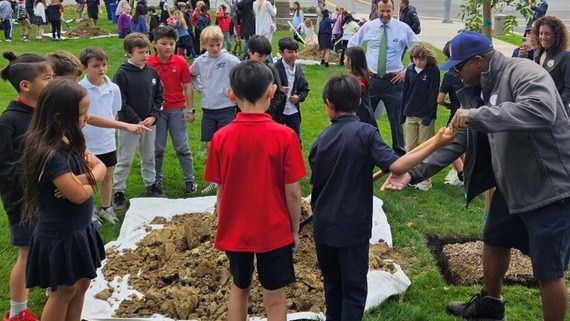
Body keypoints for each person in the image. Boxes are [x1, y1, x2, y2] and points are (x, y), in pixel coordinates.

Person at [382, 31, 570, 321]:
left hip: (549, 187)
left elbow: (541, 111)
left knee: (548, 269)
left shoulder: (524, 72)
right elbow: (458, 141)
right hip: (512, 184)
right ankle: (490, 306)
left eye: (458, 67)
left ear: (479, 61)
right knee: (494, 238)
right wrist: (414, 173)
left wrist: (478, 115)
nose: (455, 73)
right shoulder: (479, 88)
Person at [309, 74, 454, 321]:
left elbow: (315, 186)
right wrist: (436, 143)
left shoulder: (321, 139)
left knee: (332, 288)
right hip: (352, 227)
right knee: (354, 291)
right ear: (358, 102)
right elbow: (397, 166)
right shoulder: (365, 133)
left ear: (328, 104)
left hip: (323, 225)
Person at [204, 60, 306, 321]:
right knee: (275, 298)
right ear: (272, 92)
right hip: (274, 230)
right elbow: (293, 193)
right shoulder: (285, 136)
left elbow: (221, 188)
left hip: (236, 229)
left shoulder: (221, 137)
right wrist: (294, 229)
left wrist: (221, 218)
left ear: (230, 94)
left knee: (239, 288)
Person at [20, 79, 106, 321]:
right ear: (59, 117)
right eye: (82, 113)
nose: (87, 118)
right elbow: (78, 196)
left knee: (83, 284)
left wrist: (81, 179)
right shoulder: (50, 153)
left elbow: (101, 166)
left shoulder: (70, 138)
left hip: (80, 228)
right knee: (64, 290)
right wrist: (87, 182)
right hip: (61, 234)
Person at [0, 51, 52, 321]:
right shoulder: (10, 120)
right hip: (23, 199)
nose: (52, 83)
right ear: (25, 85)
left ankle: (50, 284)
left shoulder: (42, 112)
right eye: (47, 78)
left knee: (47, 243)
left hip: (47, 194)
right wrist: (30, 187)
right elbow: (5, 167)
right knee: (27, 251)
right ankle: (18, 312)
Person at [348, 0, 418, 156]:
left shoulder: (402, 29)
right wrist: (360, 69)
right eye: (382, 11)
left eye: (388, 11)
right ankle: (365, 149)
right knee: (363, 116)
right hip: (371, 81)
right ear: (376, 9)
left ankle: (399, 154)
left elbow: (419, 51)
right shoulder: (368, 27)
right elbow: (352, 45)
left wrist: (406, 72)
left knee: (397, 120)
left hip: (394, 82)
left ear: (394, 9)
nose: (385, 14)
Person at [112, 33, 164, 210]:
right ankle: (118, 191)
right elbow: (121, 102)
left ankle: (151, 184)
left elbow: (159, 97)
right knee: (125, 158)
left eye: (147, 51)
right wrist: (135, 121)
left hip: (150, 124)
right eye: (140, 52)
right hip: (129, 125)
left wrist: (153, 116)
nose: (145, 55)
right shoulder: (122, 74)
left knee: (149, 155)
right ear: (128, 52)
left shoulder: (152, 72)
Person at [147, 26, 198, 195]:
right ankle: (156, 180)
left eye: (171, 43)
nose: (168, 47)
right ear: (154, 44)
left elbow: (187, 86)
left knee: (182, 146)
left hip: (177, 110)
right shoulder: (149, 64)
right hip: (157, 112)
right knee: (157, 148)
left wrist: (191, 110)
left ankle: (190, 180)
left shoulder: (181, 62)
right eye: (163, 43)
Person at [190, 26, 240, 194]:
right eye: (211, 45)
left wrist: (234, 91)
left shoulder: (230, 60)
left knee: (227, 146)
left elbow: (241, 75)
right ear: (204, 44)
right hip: (208, 110)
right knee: (211, 146)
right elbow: (190, 75)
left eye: (218, 44)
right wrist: (198, 86)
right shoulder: (200, 61)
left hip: (226, 108)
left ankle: (229, 178)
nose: (216, 48)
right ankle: (214, 179)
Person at [78, 47, 124, 224]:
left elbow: (114, 112)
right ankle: (88, 211)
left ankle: (106, 207)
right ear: (84, 67)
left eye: (104, 64)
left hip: (106, 140)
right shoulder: (80, 89)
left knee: (106, 175)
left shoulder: (113, 88)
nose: (101, 69)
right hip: (86, 141)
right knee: (88, 177)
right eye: (96, 65)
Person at [401, 41, 439, 191]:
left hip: (425, 116)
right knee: (411, 147)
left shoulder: (433, 71)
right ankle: (411, 174)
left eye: (421, 59)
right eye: (415, 59)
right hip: (410, 114)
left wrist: (429, 116)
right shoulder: (410, 70)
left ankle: (425, 179)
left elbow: (433, 94)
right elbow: (405, 93)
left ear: (428, 58)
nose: (418, 62)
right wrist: (402, 114)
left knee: (425, 148)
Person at [437, 40, 464, 186]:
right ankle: (468, 172)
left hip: (455, 115)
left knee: (446, 144)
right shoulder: (468, 70)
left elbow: (440, 99)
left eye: (447, 57)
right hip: (471, 112)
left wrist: (447, 104)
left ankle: (462, 173)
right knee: (463, 145)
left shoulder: (450, 75)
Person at [530, 15, 570, 113]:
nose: (543, 37)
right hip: (538, 109)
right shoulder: (537, 54)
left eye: (547, 34)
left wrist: (557, 106)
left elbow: (568, 89)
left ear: (556, 35)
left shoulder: (565, 57)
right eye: (540, 33)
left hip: (557, 113)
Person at [274, 37, 310, 145]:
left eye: (296, 51)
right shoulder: (274, 68)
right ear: (281, 52)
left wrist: (299, 97)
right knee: (277, 140)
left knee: (295, 139)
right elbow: (268, 88)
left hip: (293, 111)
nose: (293, 55)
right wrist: (279, 90)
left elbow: (304, 88)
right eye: (289, 52)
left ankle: (296, 158)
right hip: (278, 111)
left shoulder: (298, 68)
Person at [246, 35, 286, 124]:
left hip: (266, 116)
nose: (263, 59)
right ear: (249, 52)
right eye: (259, 56)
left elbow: (279, 93)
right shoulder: (242, 69)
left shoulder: (271, 69)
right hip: (245, 114)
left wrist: (267, 108)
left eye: (266, 56)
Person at [343, 46, 377, 128]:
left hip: (360, 117)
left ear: (350, 61)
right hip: (365, 115)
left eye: (345, 58)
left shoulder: (356, 79)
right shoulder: (361, 75)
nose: (343, 61)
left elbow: (357, 90)